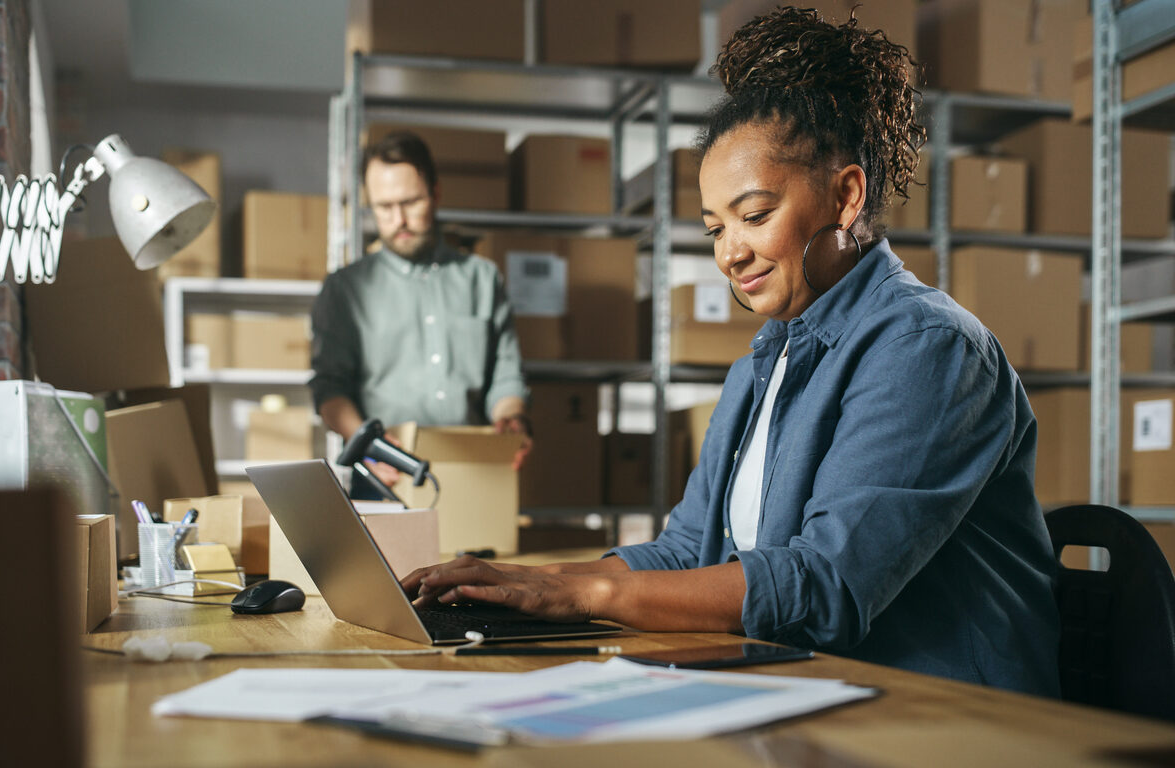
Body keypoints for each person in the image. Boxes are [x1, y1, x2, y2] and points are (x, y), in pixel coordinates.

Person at [401, 7, 1061, 697]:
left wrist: (581, 595)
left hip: (948, 716)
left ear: (846, 195)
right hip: (814, 689)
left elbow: (824, 586)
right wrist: (523, 582)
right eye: (715, 228)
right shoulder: (761, 363)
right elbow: (689, 551)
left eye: (754, 215)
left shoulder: (930, 349)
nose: (728, 253)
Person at [310, 130, 531, 495]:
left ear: (436, 194)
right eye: (384, 207)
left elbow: (506, 377)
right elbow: (329, 389)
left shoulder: (483, 278)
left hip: (473, 476)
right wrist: (369, 444)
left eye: (411, 202)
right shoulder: (344, 289)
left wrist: (511, 419)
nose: (399, 220)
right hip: (385, 477)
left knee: (480, 554)